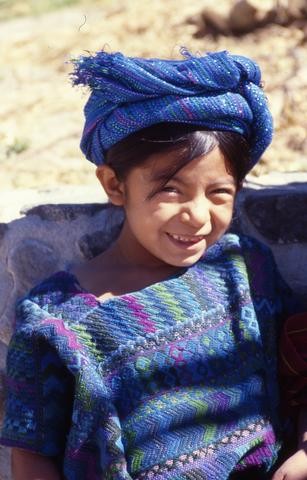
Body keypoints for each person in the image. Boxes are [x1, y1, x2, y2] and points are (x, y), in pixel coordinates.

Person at [0, 49, 306, 479]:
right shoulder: (54, 321)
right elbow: (32, 453)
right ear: (114, 184)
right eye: (171, 190)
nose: (197, 216)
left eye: (219, 192)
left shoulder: (244, 270)